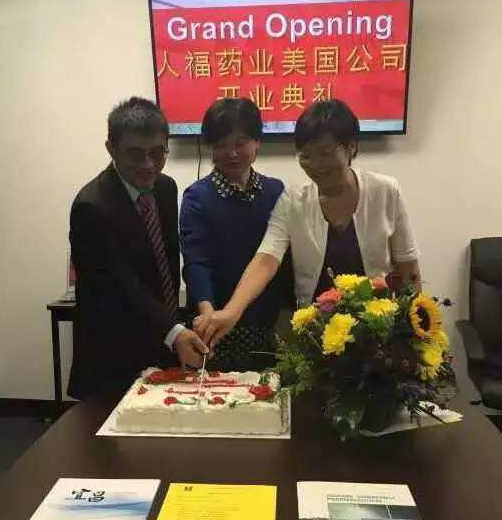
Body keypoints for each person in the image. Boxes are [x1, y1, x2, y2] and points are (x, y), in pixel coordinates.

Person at [195, 98, 420, 348]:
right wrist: (231, 312)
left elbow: (408, 267)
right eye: (306, 155)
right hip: (315, 337)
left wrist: (413, 334)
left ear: (351, 147)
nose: (316, 164)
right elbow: (266, 259)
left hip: (379, 334)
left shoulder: (386, 191)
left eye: (325, 153)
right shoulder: (293, 200)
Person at [68, 97, 207, 399]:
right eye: (135, 154)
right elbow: (120, 284)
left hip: (163, 344)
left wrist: (175, 327)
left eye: (157, 153)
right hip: (113, 354)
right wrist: (174, 331)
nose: (148, 165)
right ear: (111, 149)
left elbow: (165, 265)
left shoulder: (165, 188)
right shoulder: (92, 206)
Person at [180, 98, 292, 371]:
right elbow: (196, 261)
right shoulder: (197, 197)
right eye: (221, 145)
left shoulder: (276, 192)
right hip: (216, 325)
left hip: (267, 323)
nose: (231, 153)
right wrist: (208, 312)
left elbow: (284, 259)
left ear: (257, 142)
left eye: (241, 143)